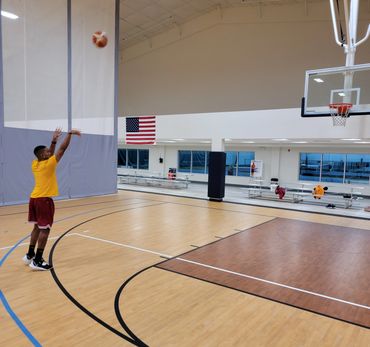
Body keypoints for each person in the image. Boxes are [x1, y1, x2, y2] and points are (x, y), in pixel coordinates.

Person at [23, 128, 81, 271]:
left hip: (34, 198)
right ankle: (37, 261)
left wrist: (53, 140)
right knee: (45, 230)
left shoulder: (35, 164)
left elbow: (51, 151)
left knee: (37, 227)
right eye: (48, 151)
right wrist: (69, 134)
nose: (51, 152)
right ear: (43, 154)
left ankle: (30, 254)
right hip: (44, 201)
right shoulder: (49, 164)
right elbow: (63, 149)